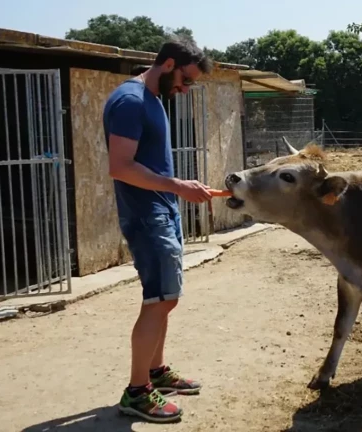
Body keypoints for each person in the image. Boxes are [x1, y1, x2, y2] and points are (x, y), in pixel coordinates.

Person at [103, 37, 214, 423]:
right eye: (185, 80)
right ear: (168, 65)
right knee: (159, 299)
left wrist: (176, 190)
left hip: (162, 211)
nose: (185, 90)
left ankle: (155, 371)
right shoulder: (130, 101)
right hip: (147, 215)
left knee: (166, 297)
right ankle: (136, 392)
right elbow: (120, 166)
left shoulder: (151, 100)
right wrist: (179, 186)